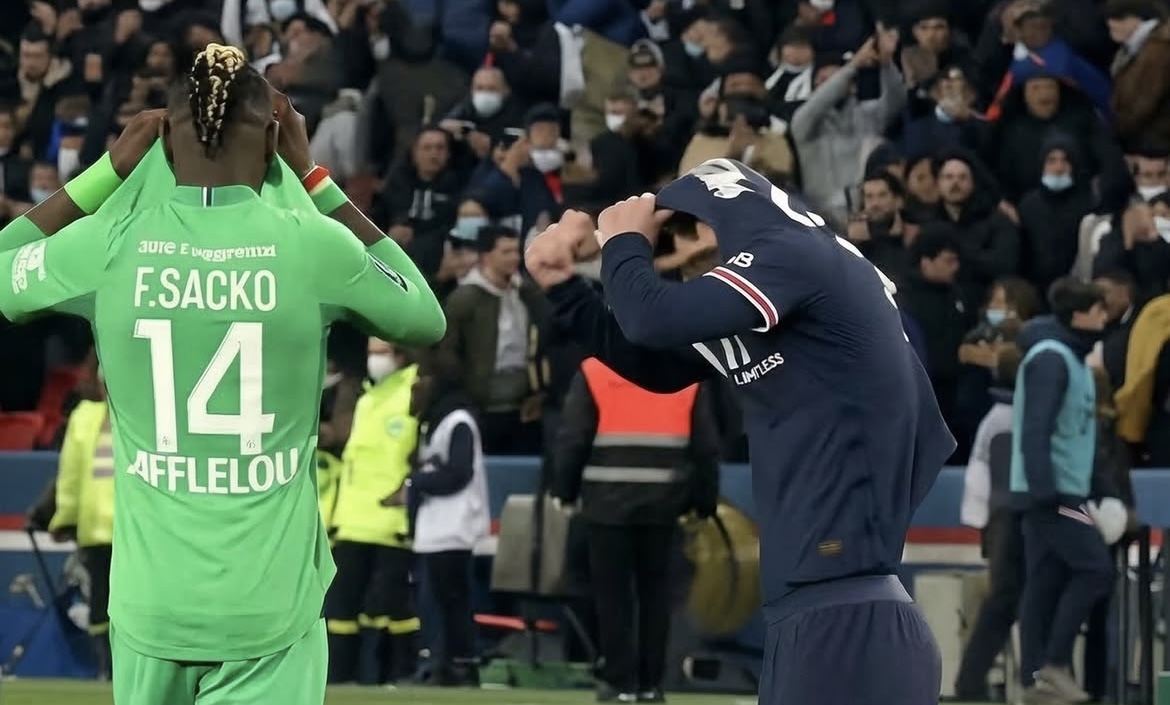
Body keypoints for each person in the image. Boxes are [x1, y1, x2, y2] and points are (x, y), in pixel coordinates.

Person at [0, 43, 446, 705]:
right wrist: (314, 178)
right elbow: (424, 314)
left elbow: (5, 263)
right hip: (269, 609)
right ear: (271, 138)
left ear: (163, 143)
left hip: (151, 607)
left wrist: (105, 172)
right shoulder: (311, 244)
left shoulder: (112, 245)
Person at [525, 158, 955, 705]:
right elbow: (657, 362)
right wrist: (563, 288)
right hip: (822, 608)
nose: (681, 263)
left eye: (686, 236)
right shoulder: (801, 291)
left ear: (723, 215)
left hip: (844, 614)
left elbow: (653, 318)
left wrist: (624, 240)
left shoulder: (793, 253)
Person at [552, 356, 721, 703]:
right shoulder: (686, 372)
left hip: (607, 505)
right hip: (664, 504)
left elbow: (574, 437)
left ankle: (619, 680)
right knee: (655, 597)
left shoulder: (596, 371)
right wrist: (704, 502)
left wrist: (564, 491)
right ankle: (650, 683)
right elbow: (705, 446)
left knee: (613, 597)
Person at [1011, 279, 1113, 705]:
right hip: (1052, 494)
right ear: (1079, 314)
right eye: (1099, 310)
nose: (1105, 318)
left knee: (1044, 581)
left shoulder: (1072, 360)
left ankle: (1034, 681)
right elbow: (1036, 428)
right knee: (1096, 569)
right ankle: (1053, 664)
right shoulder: (1052, 359)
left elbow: (1080, 434)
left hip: (1060, 489)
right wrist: (1045, 488)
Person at [326, 341, 421, 685]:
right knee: (341, 609)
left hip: (391, 523)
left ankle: (395, 678)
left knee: (387, 608)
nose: (374, 359)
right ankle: (340, 680)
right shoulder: (367, 398)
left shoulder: (414, 392)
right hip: (352, 521)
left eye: (381, 351)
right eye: (371, 351)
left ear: (401, 354)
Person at [405, 364, 490, 688]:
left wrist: (419, 481)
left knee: (452, 601)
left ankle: (460, 665)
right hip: (434, 528)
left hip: (455, 526)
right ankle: (440, 663)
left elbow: (459, 472)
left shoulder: (459, 422)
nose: (417, 386)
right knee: (435, 602)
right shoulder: (434, 424)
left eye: (423, 378)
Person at [48, 366, 115, 681]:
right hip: (132, 530)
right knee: (115, 601)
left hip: (100, 528)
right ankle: (116, 667)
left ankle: (108, 670)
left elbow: (71, 473)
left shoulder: (84, 418)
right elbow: (73, 472)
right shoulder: (144, 417)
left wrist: (65, 517)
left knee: (101, 600)